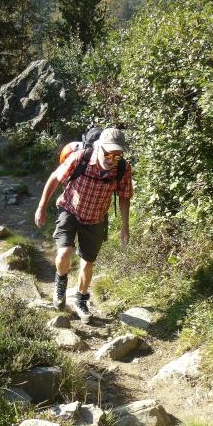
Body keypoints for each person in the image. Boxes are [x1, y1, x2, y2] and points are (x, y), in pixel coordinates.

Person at [34, 128, 133, 323]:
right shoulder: (81, 158)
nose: (111, 158)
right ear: (99, 147)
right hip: (69, 210)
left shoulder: (123, 168)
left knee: (88, 263)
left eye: (117, 154)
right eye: (107, 152)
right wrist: (41, 207)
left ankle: (81, 301)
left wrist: (125, 226)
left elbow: (124, 197)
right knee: (64, 253)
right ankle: (60, 285)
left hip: (96, 218)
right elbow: (55, 178)